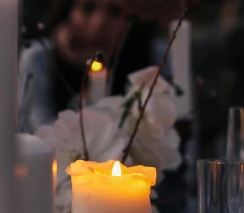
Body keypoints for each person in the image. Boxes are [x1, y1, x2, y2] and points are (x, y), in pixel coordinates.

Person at [18, 0, 163, 133]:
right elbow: (40, 129)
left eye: (115, 12)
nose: (99, 23)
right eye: (88, 8)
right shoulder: (40, 57)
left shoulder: (153, 58)